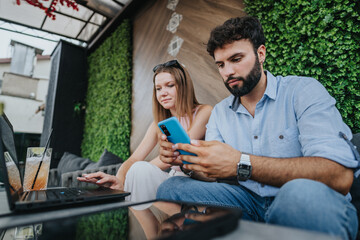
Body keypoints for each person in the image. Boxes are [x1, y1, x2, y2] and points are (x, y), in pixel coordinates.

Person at [156, 16, 359, 239]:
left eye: (236, 59)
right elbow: (212, 175)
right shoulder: (221, 112)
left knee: (299, 192)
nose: (227, 72)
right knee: (170, 187)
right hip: (247, 202)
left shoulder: (303, 91)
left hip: (303, 200)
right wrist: (188, 162)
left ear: (260, 54)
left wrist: (241, 163)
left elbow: (339, 176)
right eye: (221, 64)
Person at [77, 60, 212, 207]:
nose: (163, 93)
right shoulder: (158, 124)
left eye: (170, 85)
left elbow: (181, 151)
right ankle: (152, 230)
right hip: (173, 177)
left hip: (198, 178)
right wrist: (120, 178)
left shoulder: (204, 112)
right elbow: (134, 158)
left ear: (184, 86)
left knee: (138, 171)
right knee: (137, 171)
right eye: (158, 89)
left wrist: (139, 172)